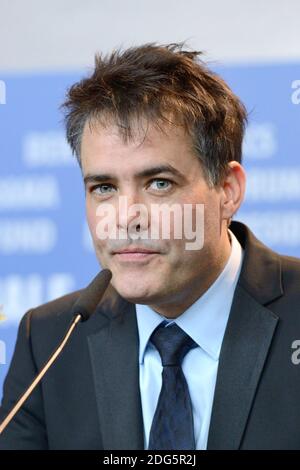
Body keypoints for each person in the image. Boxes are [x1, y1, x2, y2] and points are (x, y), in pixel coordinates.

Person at [0, 43, 300, 450]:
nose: (127, 217)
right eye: (104, 188)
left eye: (159, 183)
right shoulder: (50, 342)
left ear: (227, 191)